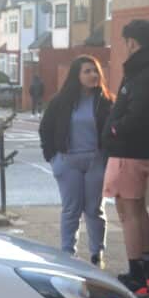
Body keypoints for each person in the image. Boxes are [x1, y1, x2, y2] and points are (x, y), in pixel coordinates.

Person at [101, 19, 149, 297]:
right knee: (138, 209)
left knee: (128, 211)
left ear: (131, 42)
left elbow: (139, 112)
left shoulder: (144, 71)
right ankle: (145, 269)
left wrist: (113, 128)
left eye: (125, 43)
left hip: (128, 149)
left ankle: (137, 277)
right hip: (141, 147)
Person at [39, 55, 113, 266]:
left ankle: (97, 254)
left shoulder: (106, 101)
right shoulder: (61, 101)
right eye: (87, 71)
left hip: (95, 161)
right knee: (71, 209)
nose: (92, 75)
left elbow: (113, 133)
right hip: (67, 161)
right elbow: (46, 129)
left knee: (94, 209)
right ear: (76, 75)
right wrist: (52, 158)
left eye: (95, 70)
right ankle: (67, 255)